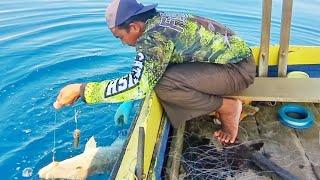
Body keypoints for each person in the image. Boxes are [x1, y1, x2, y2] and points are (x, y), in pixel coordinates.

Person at [53, 0, 256, 144]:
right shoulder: (161, 21)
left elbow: (140, 85)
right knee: (159, 76)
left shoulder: (153, 37)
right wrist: (128, 100)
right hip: (235, 63)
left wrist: (82, 90)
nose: (123, 44)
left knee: (164, 85)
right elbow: (148, 70)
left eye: (119, 37)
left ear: (133, 27)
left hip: (236, 71)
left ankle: (227, 107)